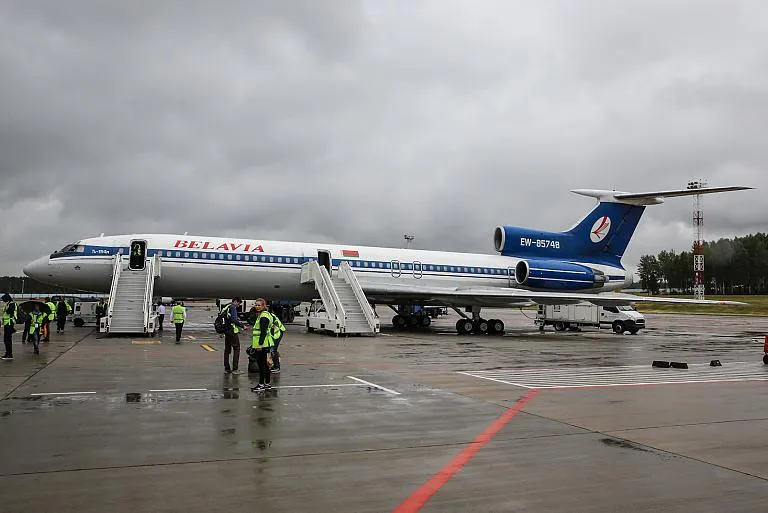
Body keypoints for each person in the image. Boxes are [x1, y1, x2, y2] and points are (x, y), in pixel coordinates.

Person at [249, 298, 275, 392]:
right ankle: (267, 383)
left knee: (262, 365)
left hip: (262, 345)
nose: (257, 307)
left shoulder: (263, 317)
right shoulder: (267, 315)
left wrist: (260, 344)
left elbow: (263, 332)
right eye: (256, 305)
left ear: (263, 306)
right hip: (267, 343)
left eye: (259, 305)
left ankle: (261, 384)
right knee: (266, 365)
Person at [221, 297, 247, 374]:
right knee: (237, 348)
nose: (238, 306)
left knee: (227, 350)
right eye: (238, 304)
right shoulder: (232, 307)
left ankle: (227, 368)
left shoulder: (226, 307)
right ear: (235, 301)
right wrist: (242, 326)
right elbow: (234, 320)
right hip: (232, 331)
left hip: (226, 330)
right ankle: (235, 369)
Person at [269, 306, 286, 373]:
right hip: (277, 332)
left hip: (277, 333)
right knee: (272, 350)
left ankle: (277, 367)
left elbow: (272, 328)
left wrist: (271, 338)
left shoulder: (270, 316)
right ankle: (275, 365)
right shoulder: (269, 315)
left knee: (273, 350)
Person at [2, 293, 18, 360]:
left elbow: (10, 311)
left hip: (9, 323)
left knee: (7, 339)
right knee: (6, 339)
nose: (3, 301)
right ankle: (7, 353)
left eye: (4, 300)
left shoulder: (12, 304)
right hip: (7, 323)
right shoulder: (8, 304)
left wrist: (6, 309)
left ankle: (10, 354)